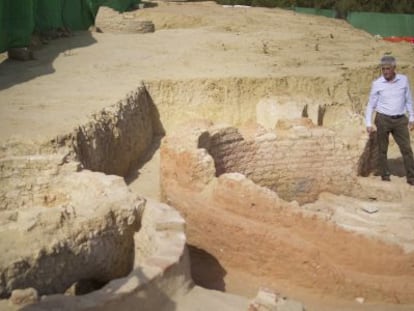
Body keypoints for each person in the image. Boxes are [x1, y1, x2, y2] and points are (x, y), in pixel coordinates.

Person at [365, 55, 414, 185]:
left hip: (400, 120)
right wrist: (368, 123)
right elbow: (371, 105)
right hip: (383, 119)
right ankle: (385, 175)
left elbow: (409, 100)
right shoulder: (377, 84)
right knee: (382, 149)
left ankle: (411, 177)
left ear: (394, 68)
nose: (386, 71)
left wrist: (412, 118)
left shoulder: (403, 80)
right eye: (383, 69)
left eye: (388, 68)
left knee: (406, 149)